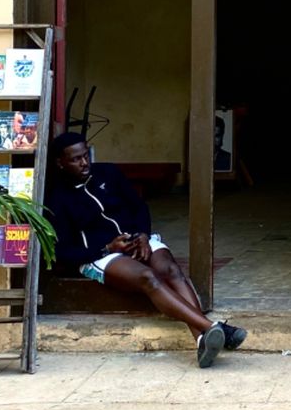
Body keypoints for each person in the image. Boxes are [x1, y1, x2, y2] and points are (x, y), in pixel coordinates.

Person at [46, 132, 246, 368]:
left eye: (86, 155)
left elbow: (139, 207)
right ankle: (212, 327)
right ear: (60, 163)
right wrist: (106, 248)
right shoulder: (56, 198)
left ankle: (202, 337)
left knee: (171, 270)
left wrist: (142, 234)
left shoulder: (109, 173)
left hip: (137, 239)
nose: (84, 163)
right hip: (101, 254)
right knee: (148, 277)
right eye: (75, 159)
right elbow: (63, 251)